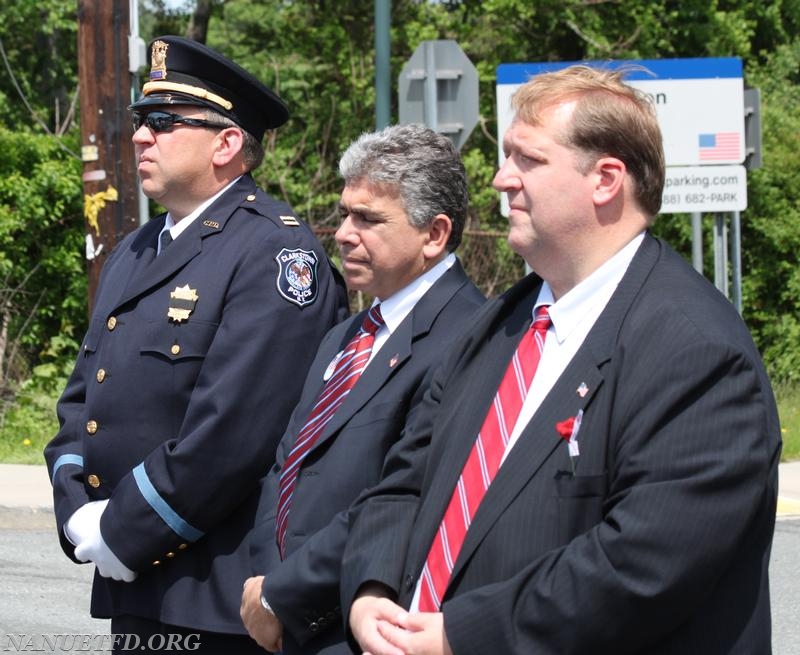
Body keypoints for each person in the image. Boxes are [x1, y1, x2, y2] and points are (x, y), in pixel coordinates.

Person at [343, 64, 781, 655]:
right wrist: (372, 590)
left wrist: (460, 635)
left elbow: (642, 566)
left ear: (605, 179)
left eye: (528, 159)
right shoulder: (499, 325)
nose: (501, 179)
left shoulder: (696, 351)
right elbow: (405, 483)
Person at [44, 35, 348, 654]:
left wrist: (126, 531)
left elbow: (233, 435)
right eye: (138, 121)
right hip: (133, 585)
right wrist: (78, 511)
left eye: (162, 122)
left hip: (217, 596)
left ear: (228, 143)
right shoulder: (137, 248)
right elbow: (82, 401)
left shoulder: (273, 253)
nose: (139, 137)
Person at [239, 123, 486, 654]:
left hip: (367, 627)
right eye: (346, 213)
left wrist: (285, 594)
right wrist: (266, 584)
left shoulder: (470, 340)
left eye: (369, 219)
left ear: (434, 234)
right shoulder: (345, 335)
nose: (344, 233)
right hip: (287, 621)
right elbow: (288, 465)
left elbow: (402, 497)